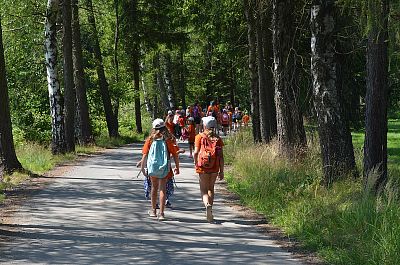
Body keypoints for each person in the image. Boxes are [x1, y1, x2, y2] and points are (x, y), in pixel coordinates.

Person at [139, 118, 180, 221]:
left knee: (154, 188)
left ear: (153, 128)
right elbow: (175, 154)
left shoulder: (150, 139)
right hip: (164, 167)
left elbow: (144, 155)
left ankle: (153, 211)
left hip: (153, 167)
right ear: (164, 127)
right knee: (162, 189)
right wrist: (177, 167)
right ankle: (161, 214)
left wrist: (142, 168)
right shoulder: (168, 139)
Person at [194, 116, 224, 223]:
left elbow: (196, 152)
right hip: (215, 167)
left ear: (205, 125)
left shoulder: (199, 137)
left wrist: (195, 163)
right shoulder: (218, 139)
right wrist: (222, 171)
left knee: (203, 189)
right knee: (211, 188)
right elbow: (221, 156)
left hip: (203, 167)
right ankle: (210, 209)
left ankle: (207, 205)